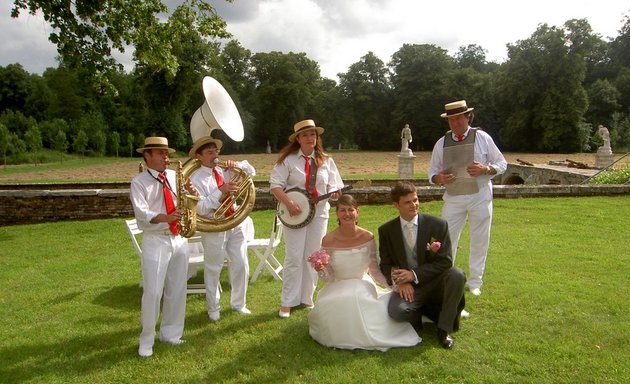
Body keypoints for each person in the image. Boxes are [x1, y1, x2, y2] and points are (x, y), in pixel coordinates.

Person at [308, 195, 422, 351]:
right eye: (343, 210)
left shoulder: (367, 236)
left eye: (351, 210)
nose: (347, 214)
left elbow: (374, 268)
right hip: (337, 285)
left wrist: (391, 284)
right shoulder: (328, 240)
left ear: (357, 212)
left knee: (357, 297)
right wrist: (321, 269)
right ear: (337, 213)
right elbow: (328, 277)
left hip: (362, 283)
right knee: (338, 302)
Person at [429, 100, 507, 297]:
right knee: (447, 240)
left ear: (467, 117)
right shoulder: (442, 143)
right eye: (450, 120)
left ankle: (475, 282)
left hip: (479, 195)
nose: (454, 123)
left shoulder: (482, 137)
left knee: (480, 239)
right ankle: (447, 278)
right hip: (453, 197)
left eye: (457, 118)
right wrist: (439, 178)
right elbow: (432, 173)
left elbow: (501, 163)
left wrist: (486, 169)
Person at [130, 136, 197, 357]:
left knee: (178, 289)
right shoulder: (139, 182)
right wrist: (166, 217)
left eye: (167, 153)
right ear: (147, 156)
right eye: (160, 153)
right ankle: (146, 339)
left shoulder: (174, 175)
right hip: (156, 240)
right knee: (153, 291)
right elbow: (142, 214)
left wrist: (191, 194)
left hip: (179, 238)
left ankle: (171, 334)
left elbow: (185, 202)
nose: (166, 157)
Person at [270, 119, 345, 318]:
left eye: (313, 134)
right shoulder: (288, 160)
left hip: (319, 213)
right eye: (305, 135)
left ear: (317, 137)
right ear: (298, 138)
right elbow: (275, 185)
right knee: (294, 257)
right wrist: (288, 202)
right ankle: (287, 302)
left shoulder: (326, 160)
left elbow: (334, 185)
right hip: (294, 214)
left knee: (313, 257)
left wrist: (334, 193)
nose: (310, 138)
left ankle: (306, 298)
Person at [379, 181, 466, 349]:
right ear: (396, 205)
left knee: (457, 274)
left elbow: (446, 261)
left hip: (436, 282)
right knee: (397, 312)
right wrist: (403, 281)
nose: (414, 205)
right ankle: (423, 311)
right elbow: (386, 263)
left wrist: (414, 274)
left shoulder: (438, 225)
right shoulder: (386, 230)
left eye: (415, 200)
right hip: (410, 287)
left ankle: (443, 329)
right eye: (408, 202)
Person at [189, 136, 256, 322]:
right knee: (213, 268)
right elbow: (200, 208)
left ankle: (239, 304)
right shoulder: (195, 179)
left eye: (216, 151)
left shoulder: (225, 170)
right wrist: (221, 191)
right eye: (209, 152)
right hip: (214, 227)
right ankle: (213, 309)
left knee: (241, 264)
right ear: (199, 156)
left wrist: (238, 165)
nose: (215, 155)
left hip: (235, 222)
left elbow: (252, 172)